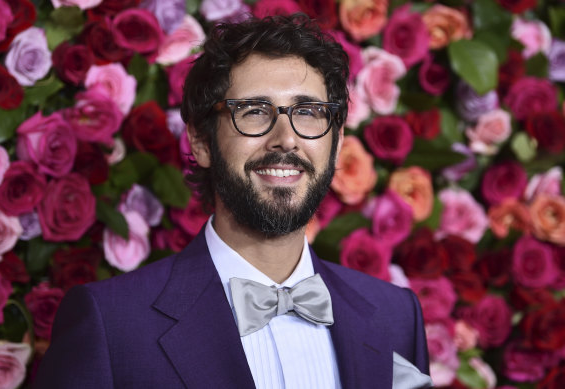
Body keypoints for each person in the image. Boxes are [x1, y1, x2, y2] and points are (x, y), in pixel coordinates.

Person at [34, 14, 431, 389]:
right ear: (202, 142)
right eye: (254, 111)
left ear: (337, 141)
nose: (286, 139)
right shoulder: (111, 326)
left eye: (308, 112)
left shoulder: (396, 317)